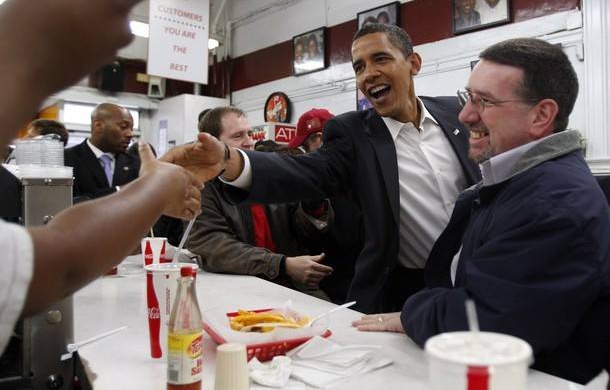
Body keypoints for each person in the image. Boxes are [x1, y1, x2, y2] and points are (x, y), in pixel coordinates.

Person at [164, 23, 480, 314]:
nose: (368, 74)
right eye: (359, 66)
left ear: (414, 63)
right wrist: (228, 159)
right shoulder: (353, 135)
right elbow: (301, 171)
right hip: (413, 293)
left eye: (380, 59)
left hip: (486, 276)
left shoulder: (457, 113)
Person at [352, 38, 610, 384]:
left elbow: (486, 323)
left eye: (484, 102)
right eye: (468, 96)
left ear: (541, 115)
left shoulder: (552, 204)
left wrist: (412, 312)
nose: (465, 115)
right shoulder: (520, 182)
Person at [0, 0, 204, 355]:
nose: (129, 132)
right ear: (96, 124)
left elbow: (59, 252)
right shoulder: (64, 163)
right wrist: (24, 56)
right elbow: (60, 258)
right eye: (122, 124)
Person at [186, 107, 333, 299]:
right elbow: (212, 245)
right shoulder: (202, 187)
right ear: (211, 143)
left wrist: (313, 204)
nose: (250, 142)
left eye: (250, 133)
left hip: (294, 287)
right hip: (240, 289)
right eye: (238, 136)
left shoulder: (269, 173)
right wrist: (281, 264)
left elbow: (305, 230)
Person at [288, 108, 364, 303]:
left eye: (306, 145)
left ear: (320, 138)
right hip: (340, 270)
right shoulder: (362, 165)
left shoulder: (326, 175)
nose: (304, 153)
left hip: (343, 272)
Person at [65, 103, 139, 200]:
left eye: (131, 128)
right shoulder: (67, 159)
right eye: (123, 127)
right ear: (98, 126)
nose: (130, 134)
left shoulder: (135, 164)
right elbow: (67, 202)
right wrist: (118, 190)